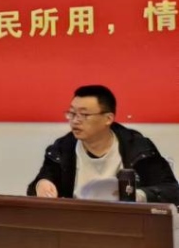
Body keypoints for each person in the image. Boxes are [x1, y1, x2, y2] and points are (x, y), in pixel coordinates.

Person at [28, 84, 179, 204]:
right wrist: (41, 184)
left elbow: (171, 191)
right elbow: (38, 185)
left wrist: (136, 196)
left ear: (108, 119)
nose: (75, 120)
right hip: (76, 224)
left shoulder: (137, 148)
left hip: (128, 224)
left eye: (84, 114)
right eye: (72, 113)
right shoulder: (62, 149)